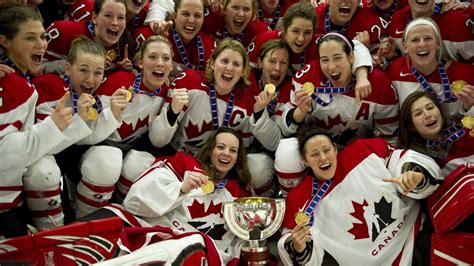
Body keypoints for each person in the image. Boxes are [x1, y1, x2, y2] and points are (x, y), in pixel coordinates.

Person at [276, 127, 441, 265]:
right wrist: (299, 247)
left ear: (335, 148)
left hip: (414, 236)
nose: (323, 158)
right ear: (305, 160)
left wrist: (414, 176)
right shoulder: (299, 200)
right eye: (314, 154)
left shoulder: (363, 150)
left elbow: (402, 161)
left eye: (326, 150)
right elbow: (288, 242)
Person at [149, 38, 276, 195]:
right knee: (137, 162)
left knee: (261, 166)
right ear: (212, 64)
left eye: (236, 64)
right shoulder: (190, 82)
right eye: (224, 61)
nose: (229, 67)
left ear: (243, 71)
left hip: (223, 168)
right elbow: (157, 140)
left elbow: (273, 143)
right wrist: (172, 111)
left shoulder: (249, 100)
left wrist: (258, 114)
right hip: (182, 160)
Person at [109, 128, 252, 265]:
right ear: (210, 149)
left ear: (237, 158)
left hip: (197, 253)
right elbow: (134, 202)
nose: (227, 153)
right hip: (158, 238)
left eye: (233, 150)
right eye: (220, 147)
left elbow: (238, 244)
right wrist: (181, 189)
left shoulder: (239, 196)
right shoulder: (181, 164)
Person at [72, 34, 173, 218]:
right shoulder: (119, 81)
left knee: (141, 164)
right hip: (91, 149)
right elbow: (84, 136)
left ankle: (119, 216)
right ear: (140, 63)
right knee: (107, 160)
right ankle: (83, 223)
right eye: (152, 57)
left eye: (166, 58)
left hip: (126, 151)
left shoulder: (169, 93)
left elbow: (158, 141)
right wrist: (112, 114)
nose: (159, 63)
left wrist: (173, 111)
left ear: (171, 66)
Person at [32, 37, 128, 223]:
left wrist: (112, 115)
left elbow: (87, 139)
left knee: (108, 158)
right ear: (68, 68)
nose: (91, 80)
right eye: (83, 70)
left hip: (72, 157)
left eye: (98, 72)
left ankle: (88, 225)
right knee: (42, 171)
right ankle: (50, 233)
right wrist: (80, 120)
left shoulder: (96, 97)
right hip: (46, 156)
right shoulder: (50, 86)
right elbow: (42, 146)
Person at [0, 3, 74, 237]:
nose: (41, 45)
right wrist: (51, 128)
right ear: (5, 41)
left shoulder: (18, 81)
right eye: (30, 38)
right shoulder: (14, 86)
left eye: (43, 37)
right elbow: (3, 153)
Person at [247, 2, 373, 102]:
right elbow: (246, 72)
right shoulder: (264, 40)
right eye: (295, 31)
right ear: (285, 28)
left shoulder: (317, 43)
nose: (301, 39)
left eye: (307, 32)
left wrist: (361, 77)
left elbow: (356, 47)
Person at [386, 18, 474, 121]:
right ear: (405, 47)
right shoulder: (394, 71)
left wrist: (471, 108)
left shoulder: (465, 73)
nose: (422, 44)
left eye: (428, 38)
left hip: (457, 136)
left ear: (437, 43)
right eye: (415, 40)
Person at [44, 0, 132, 74]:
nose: (115, 23)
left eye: (120, 18)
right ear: (94, 18)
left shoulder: (124, 44)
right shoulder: (64, 31)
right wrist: (80, 63)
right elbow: (36, 68)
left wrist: (119, 70)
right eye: (108, 16)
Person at [398, 91, 473, 177]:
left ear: (440, 111)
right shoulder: (415, 160)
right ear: (411, 126)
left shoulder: (468, 129)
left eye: (430, 108)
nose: (427, 115)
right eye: (418, 113)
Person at [132, 0, 216, 76]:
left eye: (197, 16)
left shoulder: (209, 44)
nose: (191, 20)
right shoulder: (150, 35)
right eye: (185, 14)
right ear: (175, 15)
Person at [381, 0, 473, 64]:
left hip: (453, 87)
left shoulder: (458, 20)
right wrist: (390, 57)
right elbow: (396, 59)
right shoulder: (397, 19)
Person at [201, 0, 269, 47]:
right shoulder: (211, 19)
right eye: (235, 7)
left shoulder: (260, 31)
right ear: (224, 9)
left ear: (252, 13)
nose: (241, 14)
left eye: (246, 9)